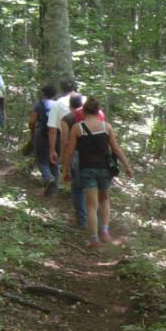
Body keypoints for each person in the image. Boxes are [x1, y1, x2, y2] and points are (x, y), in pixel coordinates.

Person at [57, 96, 134, 249]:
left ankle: (94, 239)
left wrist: (66, 170)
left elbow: (70, 151)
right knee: (104, 200)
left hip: (86, 169)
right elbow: (116, 149)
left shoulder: (77, 128)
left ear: (84, 111)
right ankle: (104, 231)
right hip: (105, 169)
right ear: (98, 111)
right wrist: (127, 166)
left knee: (91, 205)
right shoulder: (107, 127)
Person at [50, 89, 87, 228]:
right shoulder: (95, 116)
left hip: (77, 156)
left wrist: (64, 164)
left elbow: (65, 143)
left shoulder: (68, 119)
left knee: (77, 188)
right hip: (96, 157)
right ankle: (99, 223)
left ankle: (82, 221)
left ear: (70, 106)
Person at [29, 83, 59, 194]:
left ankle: (47, 177)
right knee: (54, 161)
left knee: (41, 159)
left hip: (42, 134)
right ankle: (54, 189)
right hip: (57, 135)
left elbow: (32, 121)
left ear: (43, 93)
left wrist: (32, 132)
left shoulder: (39, 104)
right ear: (54, 94)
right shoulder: (58, 105)